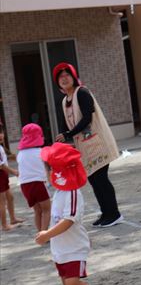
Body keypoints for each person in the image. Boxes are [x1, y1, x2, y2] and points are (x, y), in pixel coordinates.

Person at [35, 142, 99, 285]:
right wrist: (48, 235)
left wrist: (47, 234)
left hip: (74, 247)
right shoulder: (60, 191)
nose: (47, 174)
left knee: (72, 282)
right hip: (60, 248)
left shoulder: (72, 192)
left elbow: (69, 220)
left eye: (49, 169)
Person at [52, 62, 122, 228]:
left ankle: (114, 214)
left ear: (73, 77)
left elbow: (87, 118)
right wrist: (61, 139)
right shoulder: (64, 101)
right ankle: (105, 213)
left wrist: (68, 134)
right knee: (93, 180)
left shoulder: (82, 92)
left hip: (98, 143)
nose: (64, 79)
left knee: (101, 179)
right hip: (84, 148)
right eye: (60, 77)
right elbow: (64, 125)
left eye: (67, 75)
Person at [17, 123, 51, 232]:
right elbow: (48, 167)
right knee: (46, 209)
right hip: (38, 183)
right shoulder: (41, 152)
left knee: (37, 211)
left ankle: (39, 232)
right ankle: (44, 235)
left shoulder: (20, 154)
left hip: (24, 186)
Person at [0, 123, 24, 231]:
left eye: (1, 132)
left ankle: (13, 218)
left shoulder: (1, 147)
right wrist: (14, 171)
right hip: (1, 174)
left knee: (10, 197)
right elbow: (1, 165)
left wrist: (10, 157)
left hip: (3, 175)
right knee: (2, 201)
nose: (1, 135)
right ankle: (4, 225)